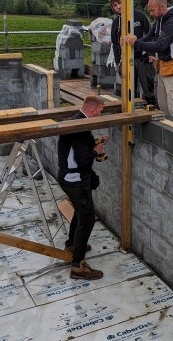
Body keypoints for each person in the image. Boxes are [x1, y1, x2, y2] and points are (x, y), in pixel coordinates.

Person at [57, 95, 109, 280]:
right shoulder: (80, 129)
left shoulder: (76, 121)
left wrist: (96, 142)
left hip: (72, 177)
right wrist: (97, 150)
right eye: (100, 112)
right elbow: (83, 159)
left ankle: (72, 244)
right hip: (75, 179)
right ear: (93, 110)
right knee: (87, 218)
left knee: (80, 212)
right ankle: (78, 266)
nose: (100, 115)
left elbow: (78, 150)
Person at [125, 0, 173, 122]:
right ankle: (169, 138)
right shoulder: (159, 21)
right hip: (165, 67)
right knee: (164, 106)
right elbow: (148, 37)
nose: (150, 13)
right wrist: (131, 43)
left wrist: (136, 43)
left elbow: (159, 45)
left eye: (152, 10)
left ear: (162, 7)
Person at [109, 0, 155, 106]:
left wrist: (151, 54)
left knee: (148, 89)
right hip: (127, 60)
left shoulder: (140, 16)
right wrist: (118, 61)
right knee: (130, 92)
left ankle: (151, 111)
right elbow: (115, 44)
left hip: (143, 59)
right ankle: (132, 115)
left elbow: (151, 35)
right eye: (115, 5)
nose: (118, 7)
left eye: (120, 3)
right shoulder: (116, 23)